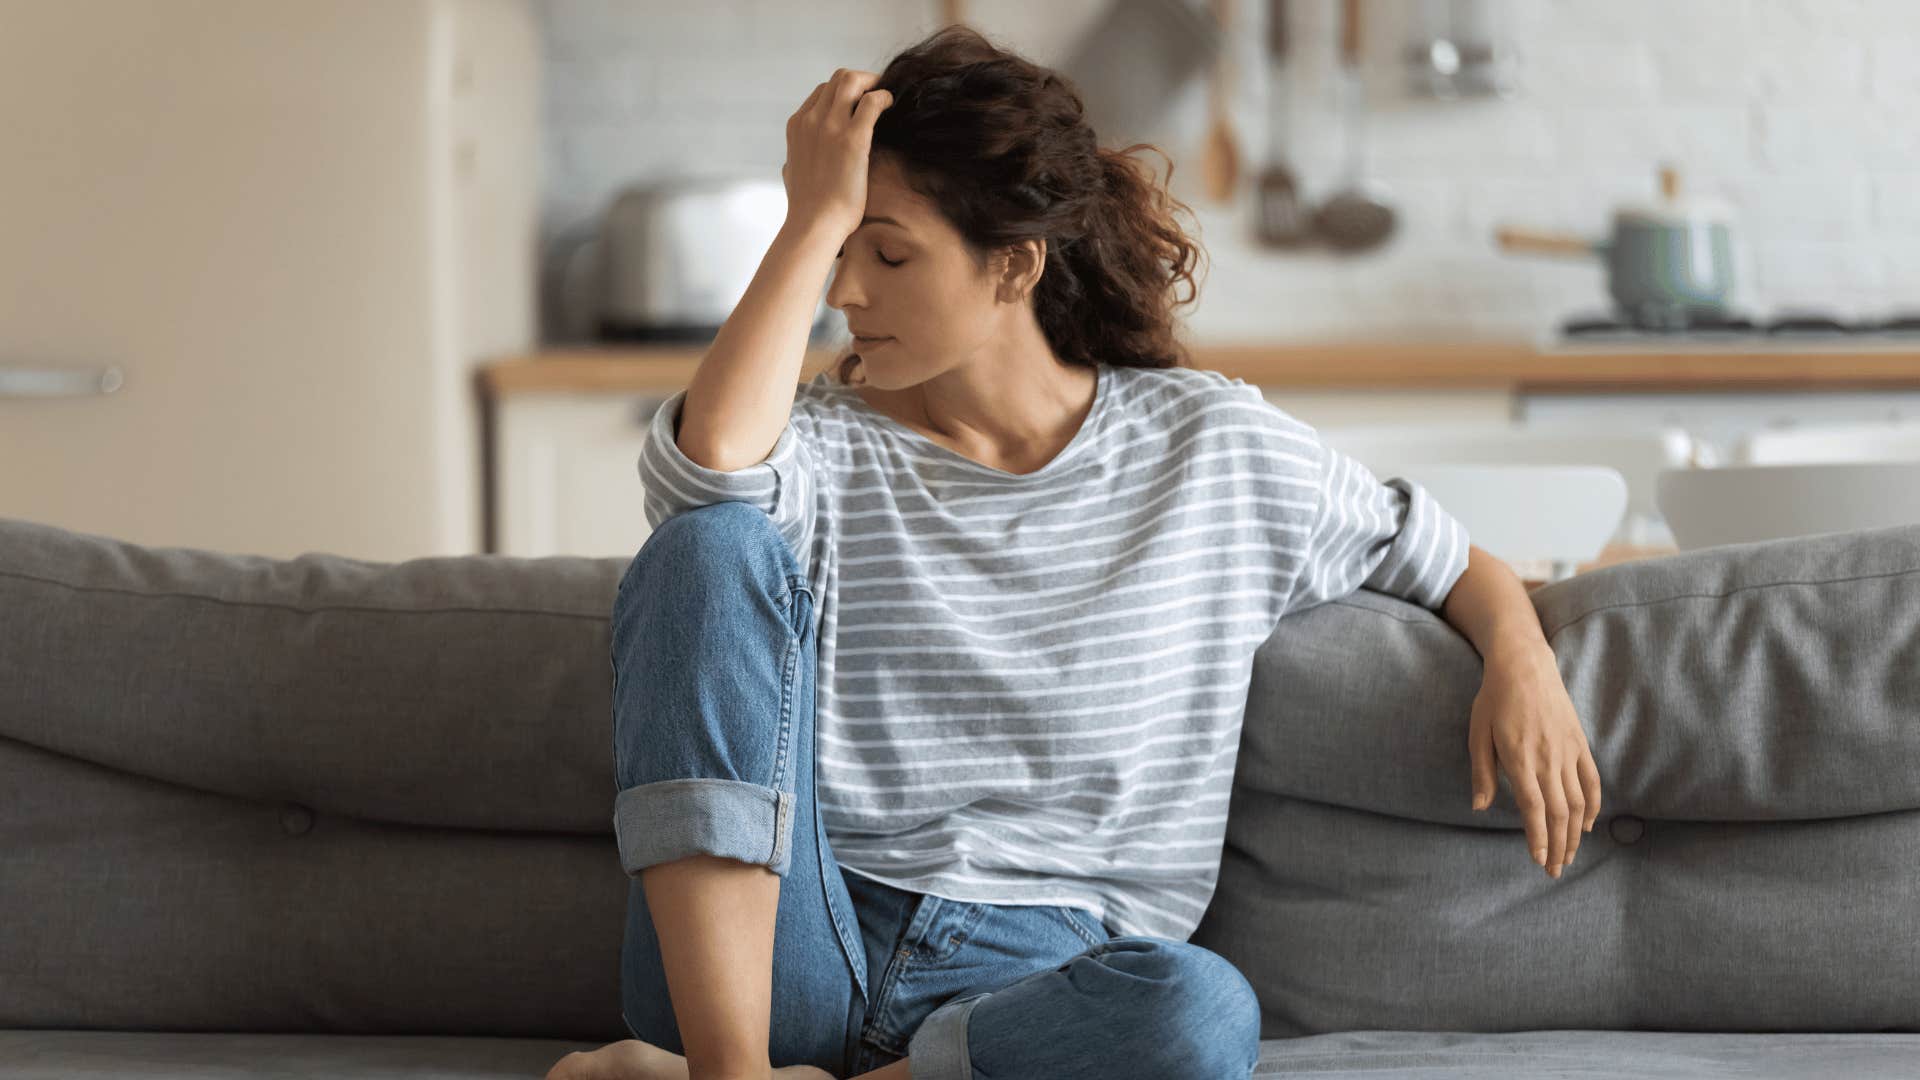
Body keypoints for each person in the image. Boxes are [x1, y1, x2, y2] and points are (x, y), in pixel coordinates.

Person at [552, 23, 1600, 1080]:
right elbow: (701, 482)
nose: (844, 292)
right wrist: (814, 211)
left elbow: (1449, 558)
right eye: (836, 251)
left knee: (1198, 1014)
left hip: (1041, 990)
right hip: (784, 950)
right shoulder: (819, 441)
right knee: (706, 547)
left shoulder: (1211, 447)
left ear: (1013, 265)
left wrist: (1522, 661)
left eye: (889, 251)